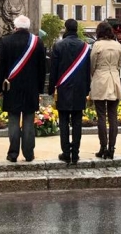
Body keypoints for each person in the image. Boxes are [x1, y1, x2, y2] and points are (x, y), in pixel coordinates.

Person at [0, 15, 47, 162]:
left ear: (15, 27)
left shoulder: (6, 41)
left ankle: (13, 154)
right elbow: (43, 68)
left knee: (13, 120)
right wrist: (40, 88)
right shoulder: (38, 42)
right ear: (28, 27)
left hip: (12, 87)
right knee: (29, 121)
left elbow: (2, 67)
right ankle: (29, 154)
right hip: (31, 88)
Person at [48, 19, 91, 164]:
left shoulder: (58, 46)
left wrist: (50, 88)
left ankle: (66, 152)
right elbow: (87, 70)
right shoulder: (85, 46)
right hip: (80, 88)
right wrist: (87, 89)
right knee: (77, 122)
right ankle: (75, 153)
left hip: (63, 88)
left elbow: (53, 70)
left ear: (66, 28)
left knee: (64, 121)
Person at [90, 21, 121, 160]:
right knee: (113, 116)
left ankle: (103, 147)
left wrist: (94, 75)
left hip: (100, 79)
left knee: (101, 116)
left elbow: (92, 64)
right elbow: (120, 64)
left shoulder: (97, 45)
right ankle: (112, 147)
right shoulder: (118, 45)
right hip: (114, 79)